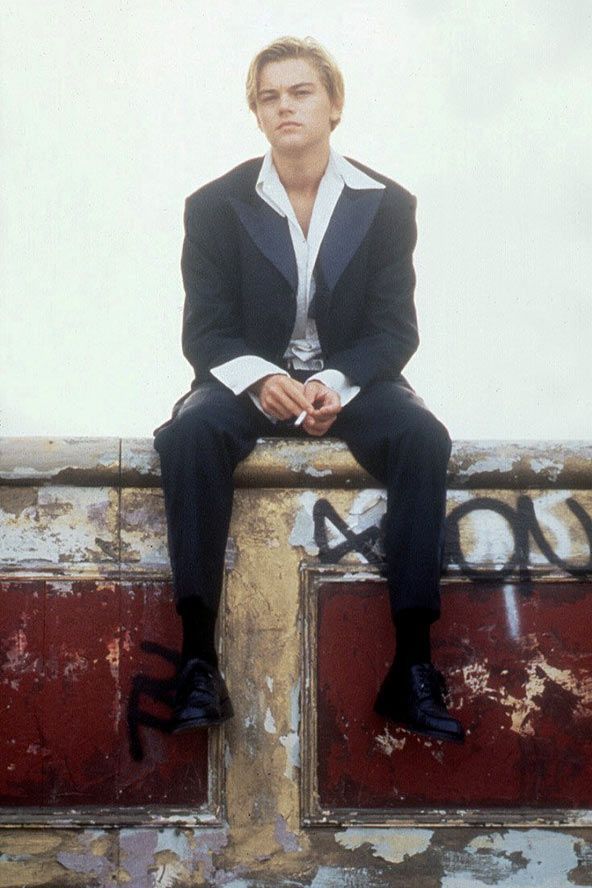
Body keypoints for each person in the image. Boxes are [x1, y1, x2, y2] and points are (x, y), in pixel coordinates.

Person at [154, 36, 464, 743]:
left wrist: (333, 381)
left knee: (423, 437)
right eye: (269, 96)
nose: (284, 106)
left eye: (300, 92)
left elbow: (395, 330)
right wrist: (262, 376)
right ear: (257, 114)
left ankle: (412, 665)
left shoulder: (386, 205)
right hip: (244, 381)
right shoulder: (213, 205)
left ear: (335, 104)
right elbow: (204, 332)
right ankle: (198, 660)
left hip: (351, 379)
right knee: (187, 434)